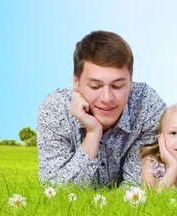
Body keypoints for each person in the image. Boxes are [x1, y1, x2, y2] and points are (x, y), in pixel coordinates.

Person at [37, 30, 166, 188]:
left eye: (117, 86)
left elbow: (135, 189)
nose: (106, 98)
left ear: (131, 82)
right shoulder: (55, 109)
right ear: (76, 82)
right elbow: (54, 189)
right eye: (95, 86)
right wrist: (93, 134)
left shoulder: (147, 107)